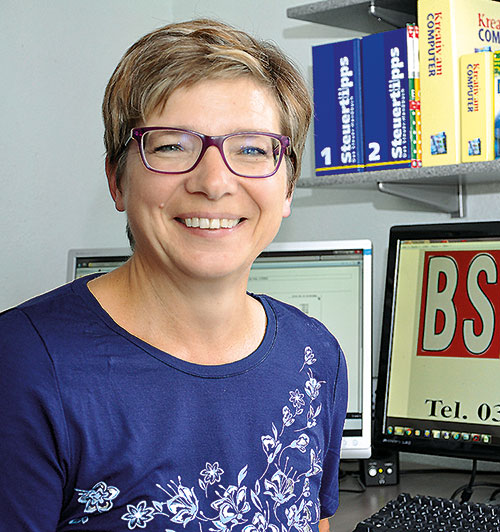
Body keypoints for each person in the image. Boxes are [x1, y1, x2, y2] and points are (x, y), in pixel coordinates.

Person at [0, 19, 346, 532]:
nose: (214, 182)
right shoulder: (25, 366)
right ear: (117, 181)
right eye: (171, 146)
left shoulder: (314, 356)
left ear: (288, 187)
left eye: (251, 148)